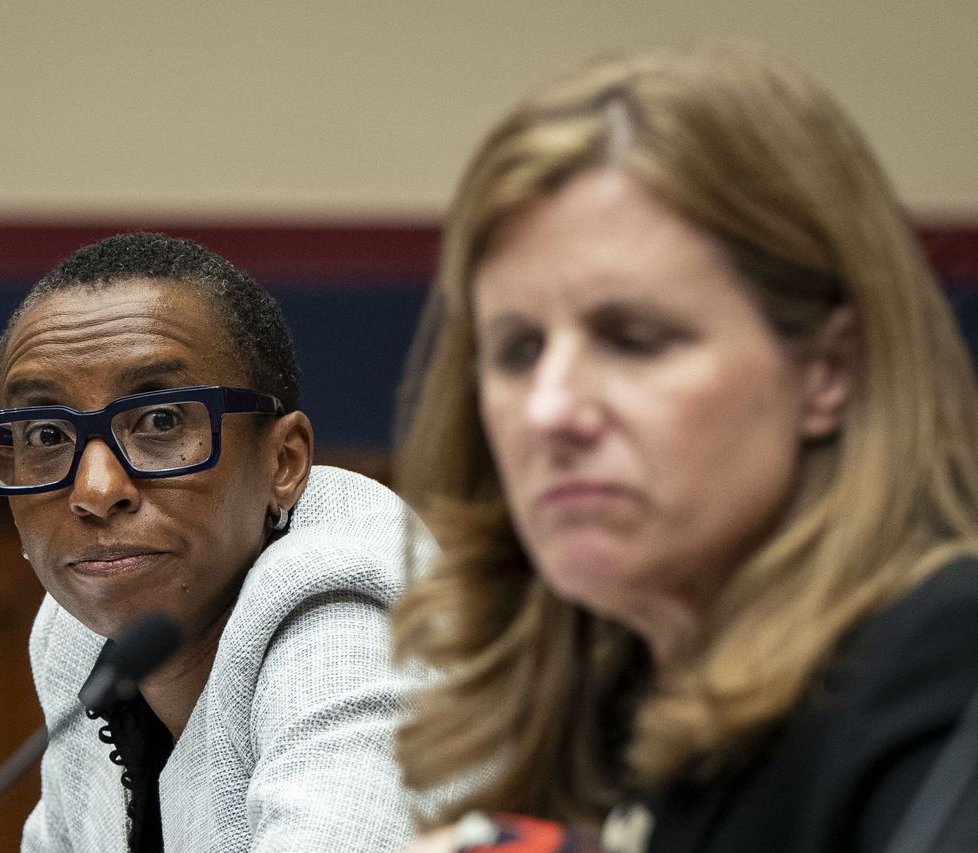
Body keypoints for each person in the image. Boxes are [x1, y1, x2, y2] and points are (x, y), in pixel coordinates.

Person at [392, 42, 978, 853]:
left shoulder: (946, 653)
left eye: (635, 339)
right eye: (519, 351)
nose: (551, 410)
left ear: (827, 372)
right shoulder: (616, 703)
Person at [0, 232, 420, 851]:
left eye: (160, 421)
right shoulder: (74, 635)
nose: (96, 491)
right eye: (45, 433)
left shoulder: (350, 613)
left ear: (283, 462)